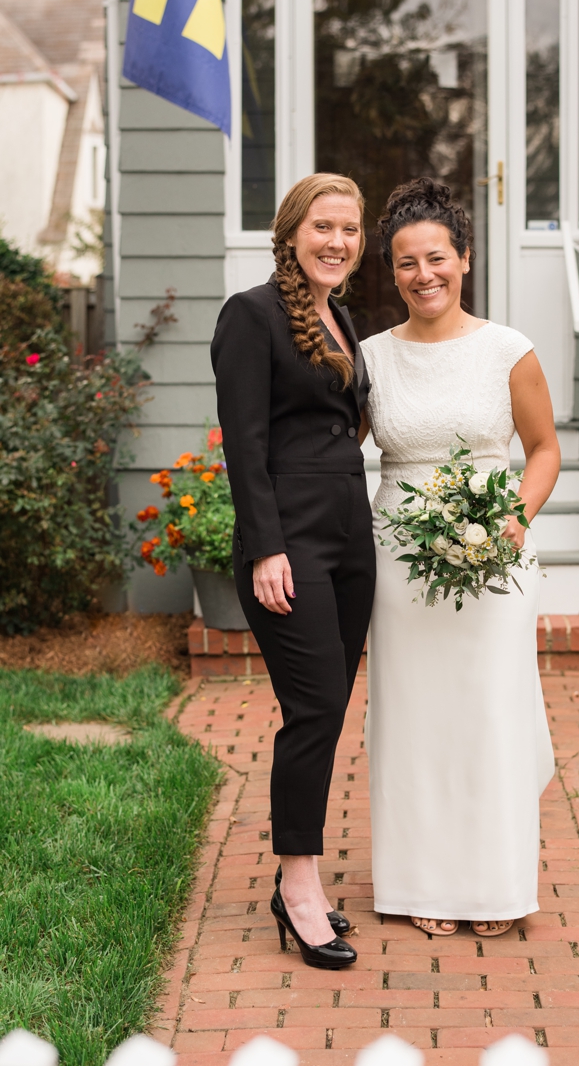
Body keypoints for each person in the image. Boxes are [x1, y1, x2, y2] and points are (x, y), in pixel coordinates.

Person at [362, 178, 560, 938]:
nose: (423, 274)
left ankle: (495, 885)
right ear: (393, 270)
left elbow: (543, 449)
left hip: (495, 558)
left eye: (436, 256)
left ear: (465, 258)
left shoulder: (509, 350)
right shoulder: (372, 359)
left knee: (488, 711)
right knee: (412, 717)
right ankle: (422, 879)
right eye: (406, 262)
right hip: (399, 562)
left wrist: (513, 517)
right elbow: (336, 451)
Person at [212, 173, 373, 970]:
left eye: (349, 228)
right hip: (292, 543)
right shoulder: (252, 314)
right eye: (323, 226)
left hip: (352, 537)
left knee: (331, 707)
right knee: (312, 710)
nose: (338, 240)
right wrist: (266, 546)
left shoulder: (340, 315)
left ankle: (298, 876)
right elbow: (244, 444)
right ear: (290, 233)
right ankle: (298, 885)